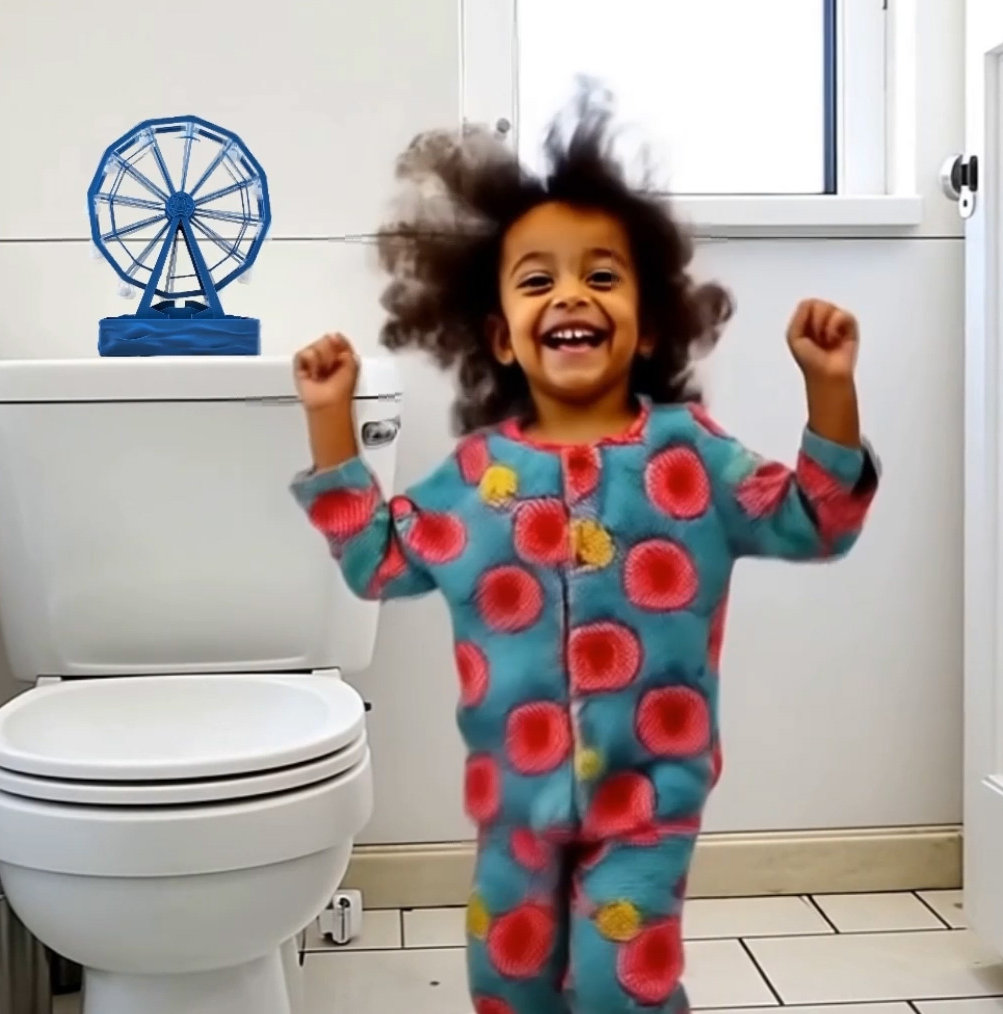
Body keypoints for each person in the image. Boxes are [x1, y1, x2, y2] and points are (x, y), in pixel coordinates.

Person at [289, 85, 879, 1014]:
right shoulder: (477, 477)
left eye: (601, 276)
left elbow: (817, 516)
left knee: (620, 989)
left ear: (645, 324)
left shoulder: (691, 456)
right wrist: (330, 423)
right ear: (501, 338)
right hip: (512, 811)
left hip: (650, 801)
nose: (570, 293)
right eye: (537, 281)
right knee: (507, 983)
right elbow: (375, 558)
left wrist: (829, 391)